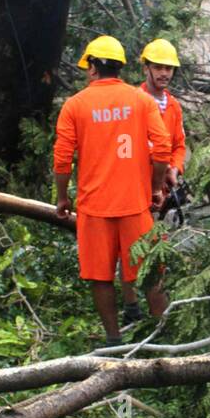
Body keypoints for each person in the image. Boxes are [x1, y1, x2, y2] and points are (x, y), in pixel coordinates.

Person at [53, 34, 172, 346]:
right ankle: (167, 340)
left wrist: (63, 198)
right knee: (149, 274)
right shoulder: (142, 101)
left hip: (94, 210)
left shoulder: (75, 106)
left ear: (92, 68)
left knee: (100, 276)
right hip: (135, 205)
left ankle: (114, 341)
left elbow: (63, 159)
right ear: (120, 67)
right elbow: (162, 149)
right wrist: (155, 188)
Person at [119, 38, 188, 324]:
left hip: (162, 188)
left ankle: (158, 316)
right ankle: (132, 306)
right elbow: (123, 145)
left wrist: (175, 168)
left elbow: (179, 145)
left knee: (155, 248)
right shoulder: (131, 102)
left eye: (169, 68)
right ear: (146, 67)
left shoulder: (173, 107)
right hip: (135, 186)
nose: (164, 73)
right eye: (159, 67)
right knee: (129, 247)